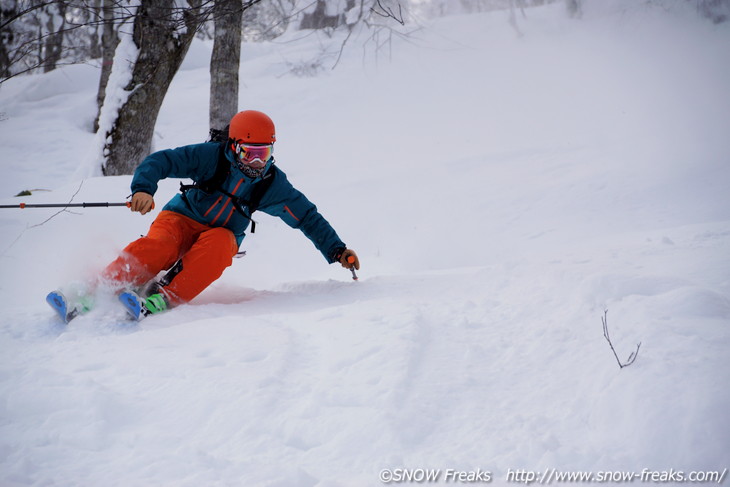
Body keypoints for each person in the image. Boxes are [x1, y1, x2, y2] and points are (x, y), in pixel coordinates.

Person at [59, 110, 359, 320]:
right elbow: (161, 161)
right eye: (249, 153)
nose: (257, 163)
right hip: (180, 218)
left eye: (263, 154)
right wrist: (143, 189)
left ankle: (162, 297)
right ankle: (97, 289)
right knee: (160, 247)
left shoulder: (271, 183)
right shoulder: (211, 156)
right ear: (234, 145)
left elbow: (306, 216)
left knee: (221, 245)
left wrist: (337, 250)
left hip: (221, 234)